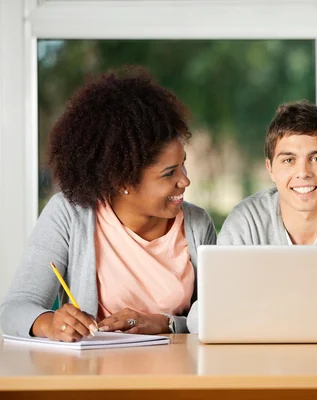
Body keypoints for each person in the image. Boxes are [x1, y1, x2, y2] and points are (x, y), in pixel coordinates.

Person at [0, 67, 216, 341]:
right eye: (169, 173)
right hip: (95, 375)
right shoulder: (68, 215)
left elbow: (216, 314)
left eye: (182, 164)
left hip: (176, 375)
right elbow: (14, 309)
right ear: (121, 180)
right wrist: (50, 323)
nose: (185, 181)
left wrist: (167, 323)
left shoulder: (197, 224)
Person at [187, 101, 317, 331]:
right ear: (270, 168)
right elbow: (204, 316)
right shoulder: (247, 219)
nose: (303, 173)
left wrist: (254, 307)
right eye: (288, 160)